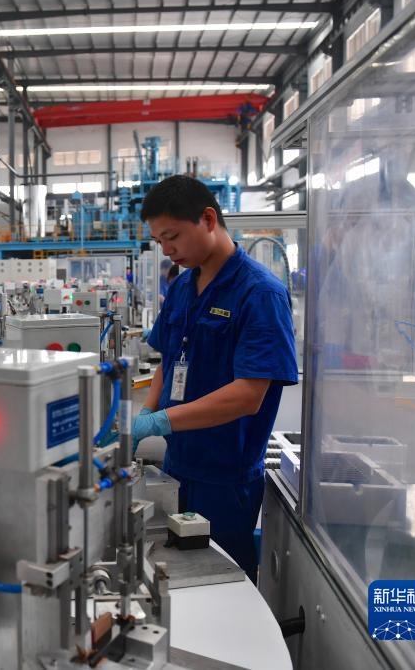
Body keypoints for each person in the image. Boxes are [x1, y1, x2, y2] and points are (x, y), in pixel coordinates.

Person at [132, 175, 297, 581]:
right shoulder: (182, 287)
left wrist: (161, 421)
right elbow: (168, 361)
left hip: (225, 480)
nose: (167, 250)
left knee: (220, 583)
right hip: (176, 467)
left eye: (173, 236)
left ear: (208, 219)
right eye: (159, 241)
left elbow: (248, 395)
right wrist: (144, 415)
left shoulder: (260, 293)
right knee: (171, 576)